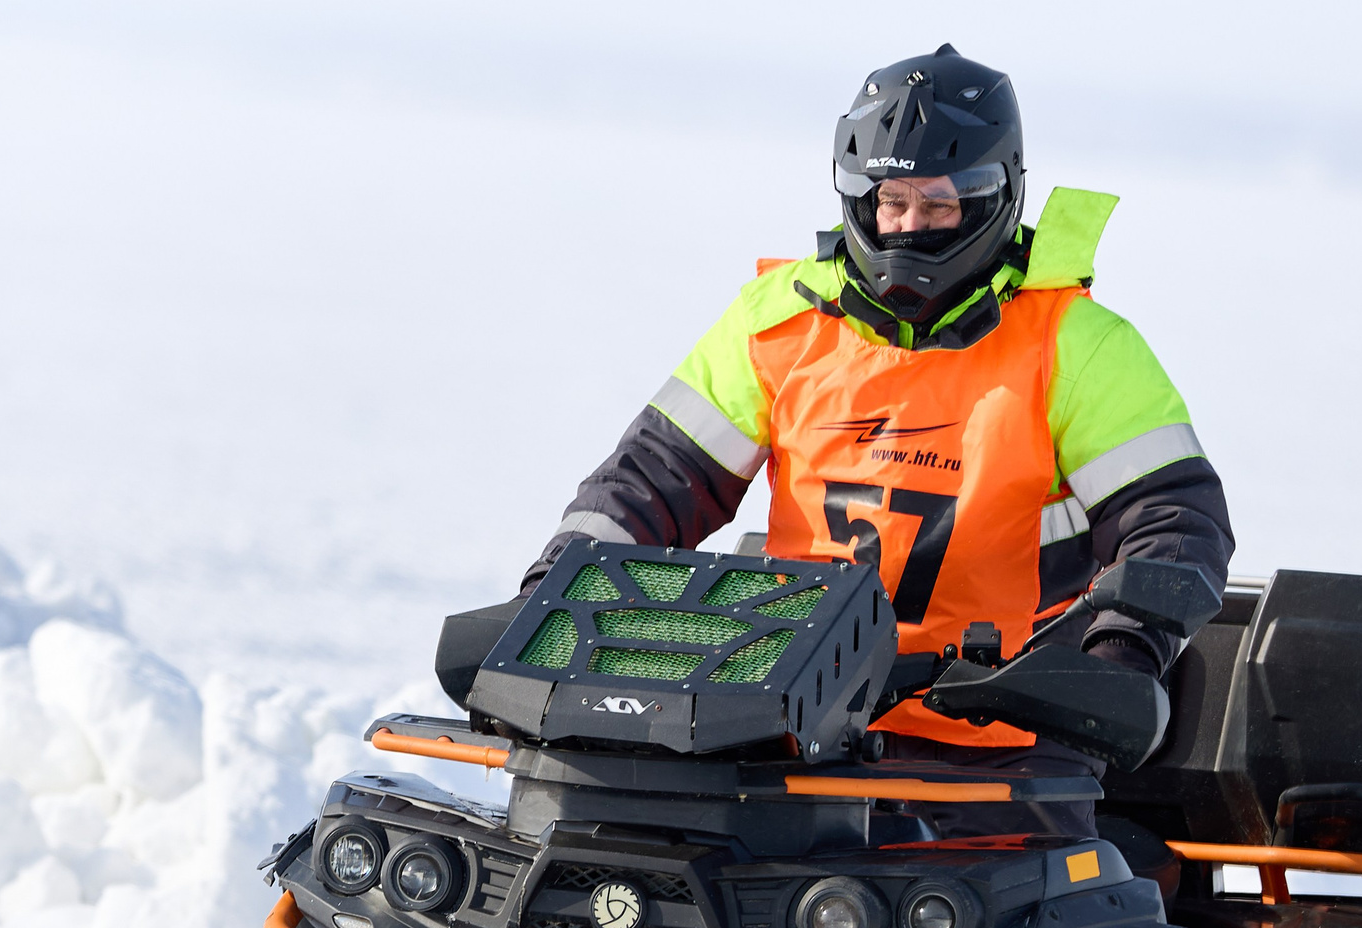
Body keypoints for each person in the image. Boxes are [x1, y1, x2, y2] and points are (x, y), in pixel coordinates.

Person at [520, 44, 1232, 840]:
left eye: (938, 205)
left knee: (1011, 912)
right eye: (891, 201)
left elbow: (1178, 521)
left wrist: (1117, 661)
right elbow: (649, 483)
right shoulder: (779, 321)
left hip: (1002, 741)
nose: (907, 227)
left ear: (996, 196)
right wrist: (548, 597)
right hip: (776, 719)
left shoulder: (1078, 344)